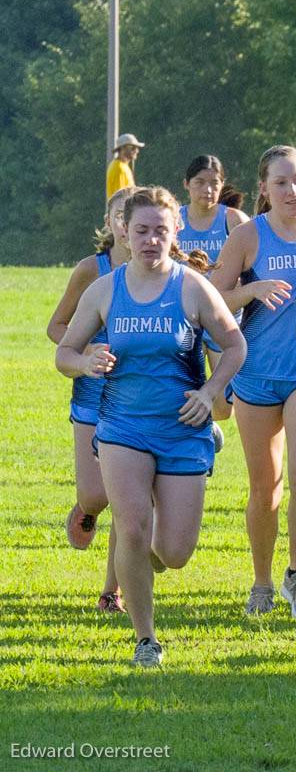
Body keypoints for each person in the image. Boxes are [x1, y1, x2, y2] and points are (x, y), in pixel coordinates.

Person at [55, 186, 246, 666]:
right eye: (140, 230)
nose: (150, 239)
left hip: (182, 429)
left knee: (175, 552)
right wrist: (85, 362)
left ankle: (147, 561)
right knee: (133, 527)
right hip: (122, 427)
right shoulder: (105, 289)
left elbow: (236, 345)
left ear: (175, 230)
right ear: (124, 229)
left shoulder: (192, 288)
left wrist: (209, 393)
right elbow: (64, 352)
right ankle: (146, 639)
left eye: (161, 230)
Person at [211, 145, 296, 620]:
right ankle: (261, 582)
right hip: (256, 374)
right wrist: (251, 289)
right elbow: (213, 297)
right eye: (281, 182)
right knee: (265, 488)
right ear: (264, 187)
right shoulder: (248, 236)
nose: (293, 190)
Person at [51, 187, 134, 613]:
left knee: (126, 499)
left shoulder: (164, 272)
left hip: (136, 399)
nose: (126, 225)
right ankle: (86, 509)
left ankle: (111, 592)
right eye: (119, 216)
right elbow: (58, 327)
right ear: (111, 222)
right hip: (90, 391)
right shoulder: (92, 270)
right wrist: (84, 357)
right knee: (98, 497)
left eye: (132, 217)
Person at [178, 155, 251, 442]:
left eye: (214, 183)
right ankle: (190, 444)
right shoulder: (177, 220)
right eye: (199, 183)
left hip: (225, 319)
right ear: (186, 184)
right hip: (186, 321)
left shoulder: (233, 220)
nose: (207, 190)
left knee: (223, 406)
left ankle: (210, 422)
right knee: (181, 386)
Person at [106, 133, 143, 199]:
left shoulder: (123, 166)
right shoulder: (118, 168)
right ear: (122, 148)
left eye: (137, 147)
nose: (136, 151)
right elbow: (119, 198)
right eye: (133, 147)